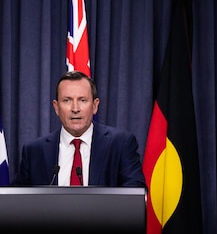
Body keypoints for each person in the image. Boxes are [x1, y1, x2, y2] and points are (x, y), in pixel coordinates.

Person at [12, 71, 146, 187]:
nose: (75, 109)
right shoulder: (35, 151)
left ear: (95, 106)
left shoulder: (120, 144)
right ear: (56, 107)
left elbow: (134, 197)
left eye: (82, 100)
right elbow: (17, 203)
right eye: (67, 100)